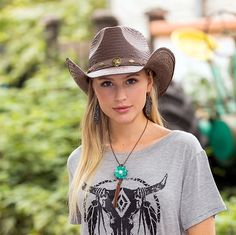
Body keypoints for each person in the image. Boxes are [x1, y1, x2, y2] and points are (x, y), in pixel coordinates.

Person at [66, 26, 226, 235]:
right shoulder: (80, 160)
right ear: (93, 89)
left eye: (131, 81)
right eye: (107, 83)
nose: (120, 96)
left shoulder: (183, 150)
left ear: (149, 82)